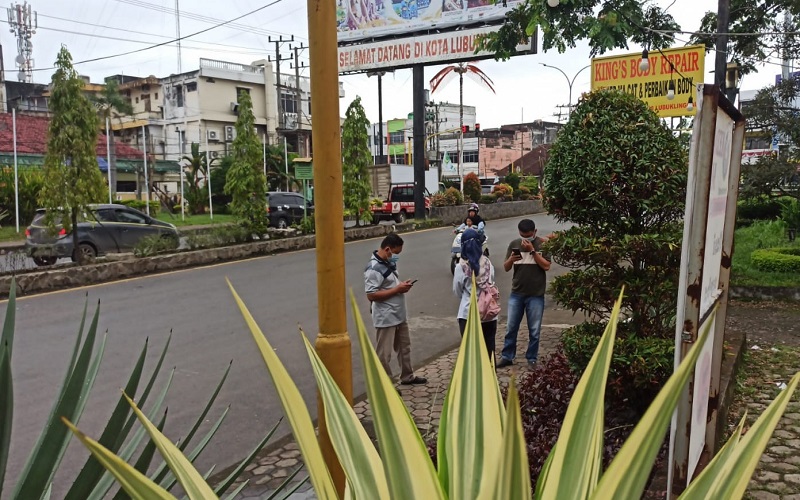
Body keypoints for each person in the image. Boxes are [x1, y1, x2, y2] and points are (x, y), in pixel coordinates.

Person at [364, 233, 427, 385]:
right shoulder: (373, 269)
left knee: (404, 348)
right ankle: (386, 385)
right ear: (387, 249)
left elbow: (390, 284)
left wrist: (401, 285)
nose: (396, 257)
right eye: (395, 253)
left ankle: (407, 376)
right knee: (384, 355)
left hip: (398, 314)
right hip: (386, 317)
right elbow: (371, 295)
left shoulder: (388, 263)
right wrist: (397, 289)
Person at [496, 218, 551, 368]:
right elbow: (506, 267)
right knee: (511, 327)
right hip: (517, 293)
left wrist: (533, 252)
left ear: (535, 232)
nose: (525, 239)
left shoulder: (543, 244)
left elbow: (546, 266)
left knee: (534, 330)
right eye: (523, 235)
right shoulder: (514, 244)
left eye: (528, 236)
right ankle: (507, 356)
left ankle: (531, 358)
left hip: (536, 294)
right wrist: (511, 260)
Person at [452, 228, 497, 359]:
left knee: (471, 352)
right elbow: (491, 282)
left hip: (468, 313)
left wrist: (469, 295)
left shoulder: (461, 267)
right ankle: (490, 377)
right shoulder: (488, 263)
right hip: (489, 312)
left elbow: (457, 291)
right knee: (489, 349)